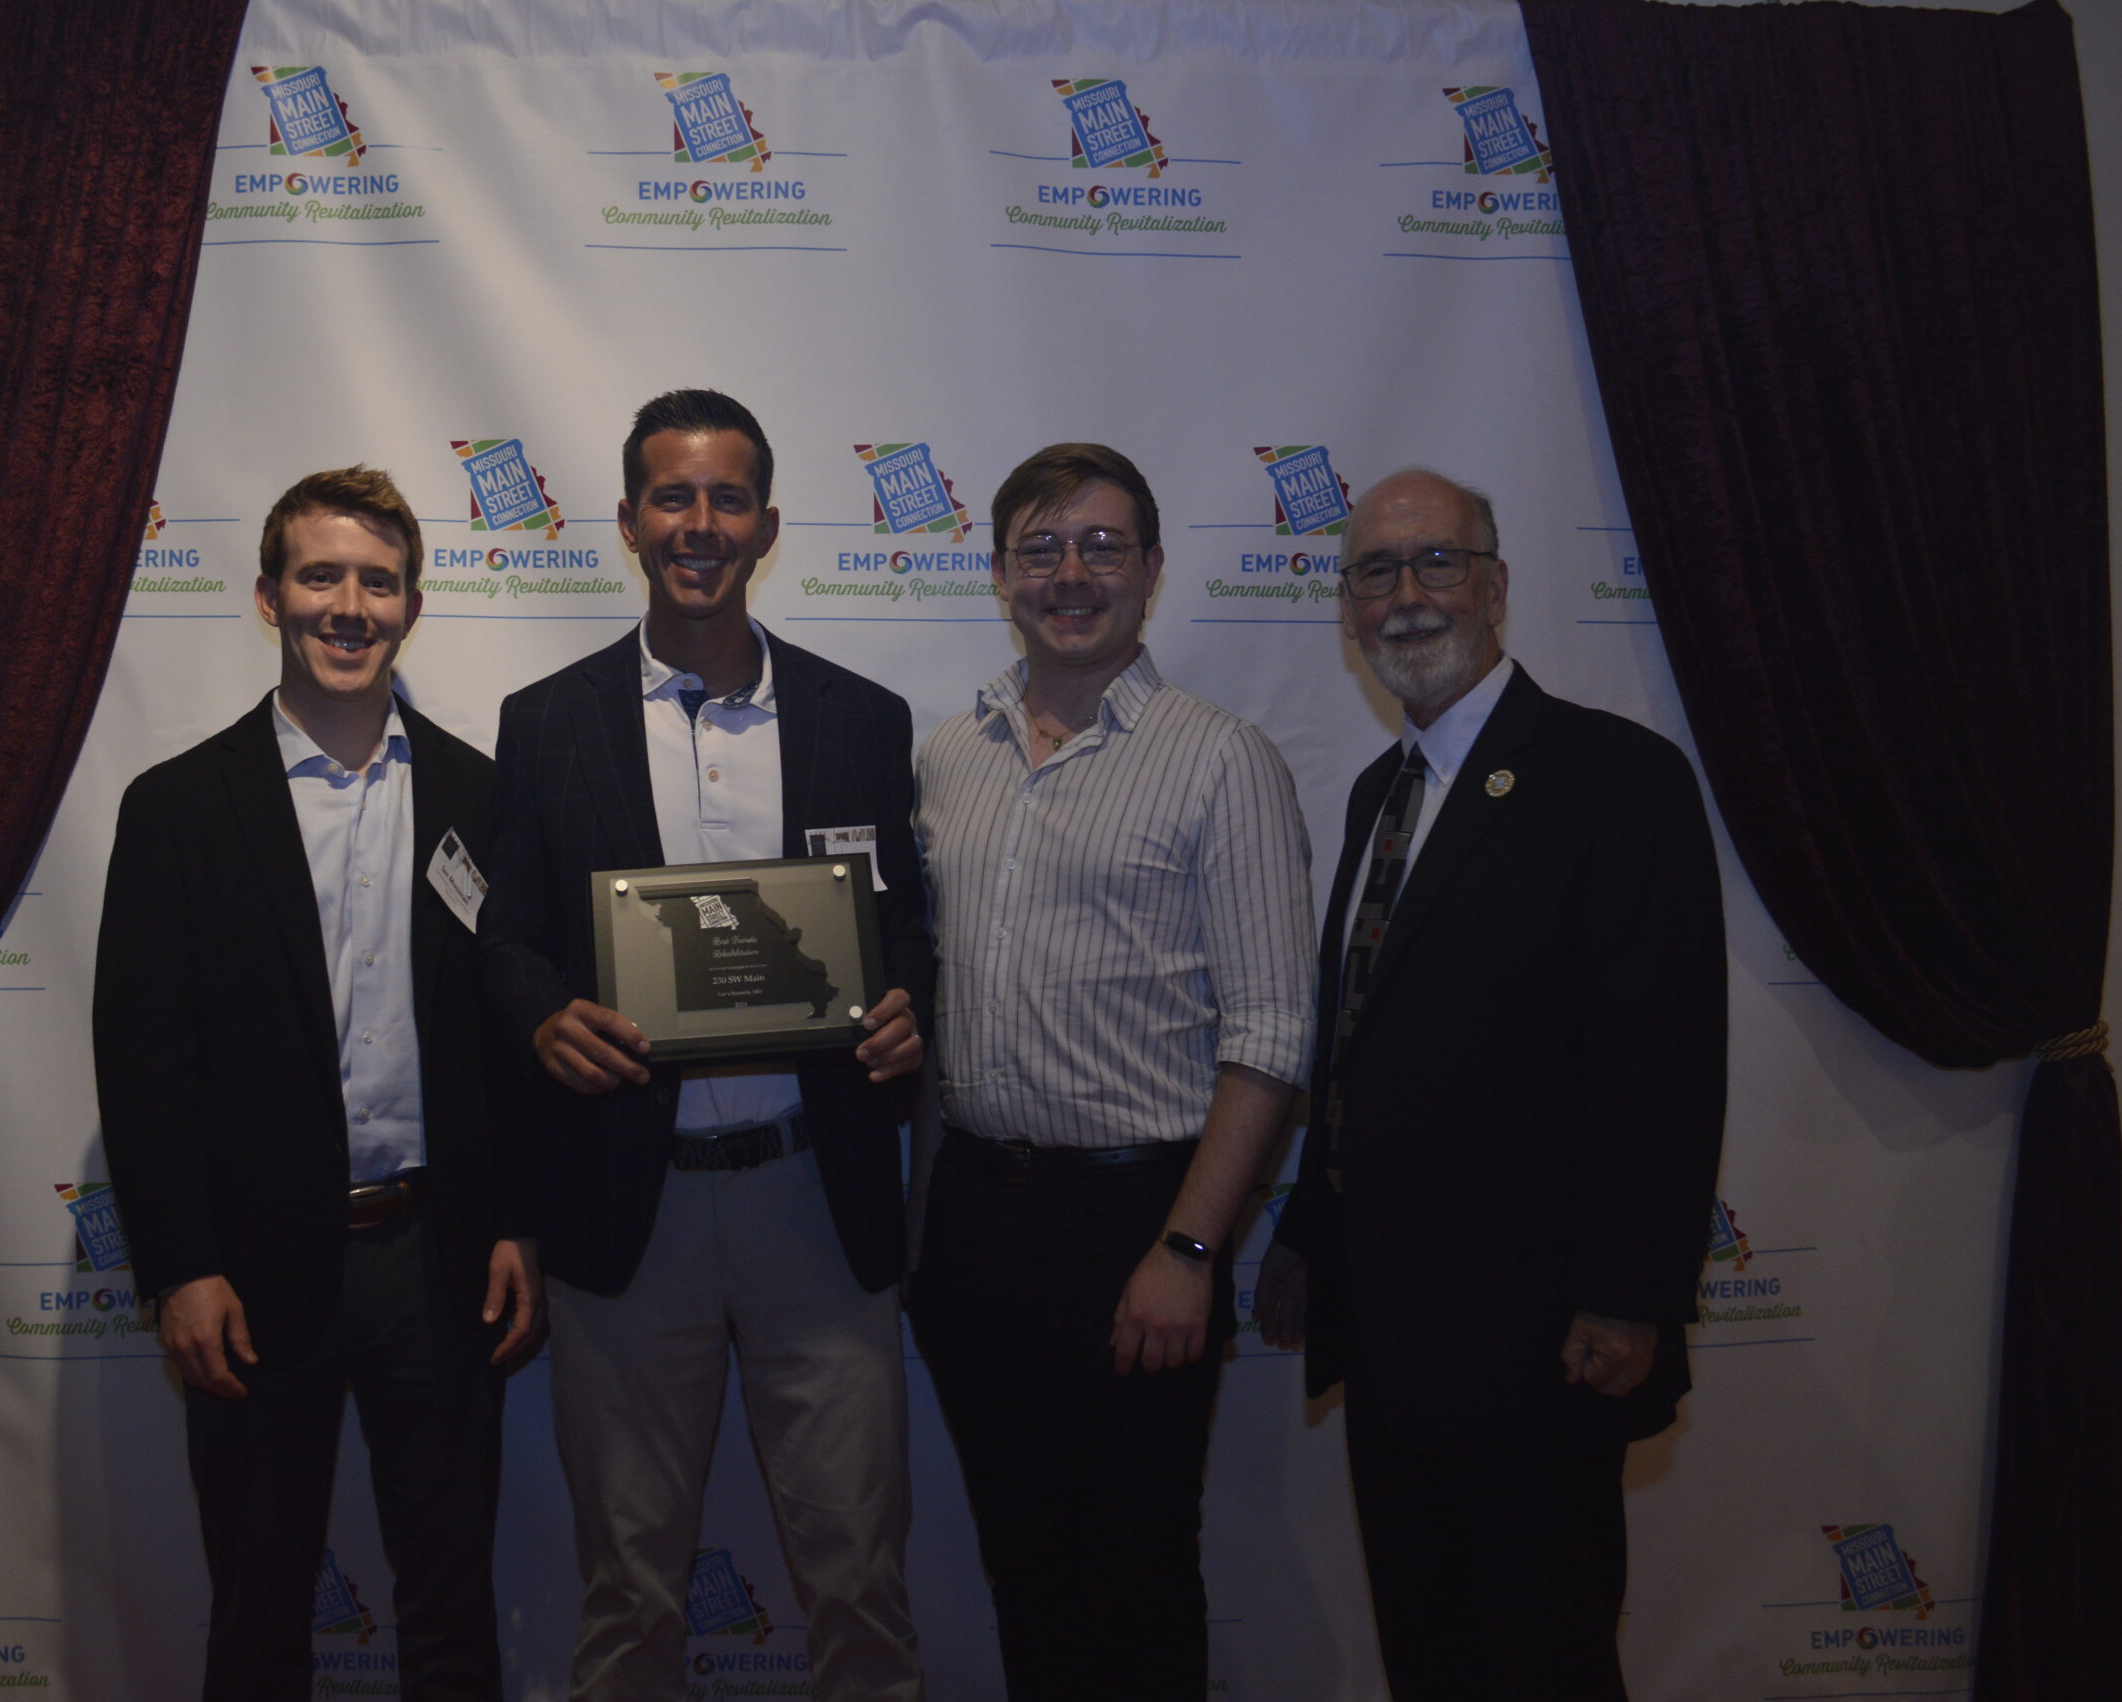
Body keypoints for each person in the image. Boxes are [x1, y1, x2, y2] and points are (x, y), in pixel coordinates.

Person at [477, 389, 930, 1702]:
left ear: (769, 524)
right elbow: (507, 942)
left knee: (860, 1583)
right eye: (673, 496)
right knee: (629, 1594)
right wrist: (542, 1014)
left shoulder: (862, 718)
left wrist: (907, 1001)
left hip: (817, 1196)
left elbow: (903, 934)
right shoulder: (546, 721)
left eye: (728, 497)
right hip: (629, 1208)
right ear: (628, 521)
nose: (700, 522)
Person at [1255, 467, 1727, 1702]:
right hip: (1395, 1341)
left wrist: (1629, 1294)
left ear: (1496, 584)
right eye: (1373, 571)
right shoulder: (1375, 797)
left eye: (1435, 562)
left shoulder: (1617, 780)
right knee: (1431, 1660)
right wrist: (1313, 1227)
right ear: (1346, 608)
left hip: (1541, 1348)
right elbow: (1358, 1041)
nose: (1406, 597)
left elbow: (1663, 1065)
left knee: (1544, 1663)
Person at [94, 465, 541, 1701]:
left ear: (412, 605)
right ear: (267, 598)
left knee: (451, 1604)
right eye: (321, 575)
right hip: (248, 1268)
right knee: (255, 1607)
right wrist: (180, 1265)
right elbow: (142, 1061)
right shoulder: (177, 807)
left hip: (434, 1258)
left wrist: (511, 1219)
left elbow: (502, 1048)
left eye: (379, 580)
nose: (351, 605)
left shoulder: (481, 797)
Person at [907, 442, 1318, 1701]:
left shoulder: (1219, 759)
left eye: (1099, 546)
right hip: (973, 1220)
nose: (1070, 573)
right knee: (1023, 1562)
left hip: (1136, 1221)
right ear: (998, 573)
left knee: (1133, 1568)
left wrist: (1190, 1250)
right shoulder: (945, 756)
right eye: (1041, 546)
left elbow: (1272, 1032)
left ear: (1147, 570)